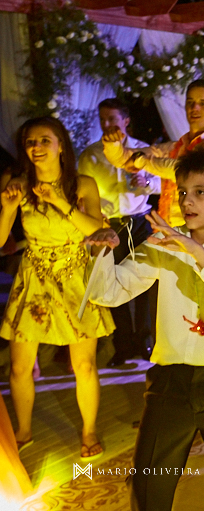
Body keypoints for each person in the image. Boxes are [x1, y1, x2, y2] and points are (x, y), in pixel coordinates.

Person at [85, 151, 204, 511]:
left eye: (200, 192)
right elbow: (109, 293)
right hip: (170, 382)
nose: (187, 201)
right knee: (148, 488)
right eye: (183, 192)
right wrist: (101, 252)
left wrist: (195, 252)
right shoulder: (163, 245)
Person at [0, 117, 113, 459]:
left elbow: (96, 230)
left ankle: (89, 431)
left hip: (75, 275)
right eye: (30, 142)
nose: (36, 147)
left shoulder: (83, 184)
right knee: (19, 366)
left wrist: (60, 202)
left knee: (84, 365)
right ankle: (24, 431)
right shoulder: (16, 184)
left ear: (60, 145)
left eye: (44, 140)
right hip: (33, 277)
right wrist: (7, 208)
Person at [79, 98, 160, 366]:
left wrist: (146, 180)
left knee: (147, 280)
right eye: (102, 119)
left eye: (112, 119)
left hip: (140, 220)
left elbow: (162, 182)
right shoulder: (91, 154)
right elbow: (83, 193)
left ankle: (145, 339)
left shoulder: (144, 150)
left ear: (125, 120)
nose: (107, 124)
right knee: (112, 281)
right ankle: (123, 344)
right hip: (110, 223)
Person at [103, 79, 204, 226]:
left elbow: (185, 171)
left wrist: (141, 161)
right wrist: (112, 143)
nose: (195, 107)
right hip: (169, 229)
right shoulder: (176, 147)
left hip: (197, 233)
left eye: (203, 103)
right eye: (190, 102)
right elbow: (123, 159)